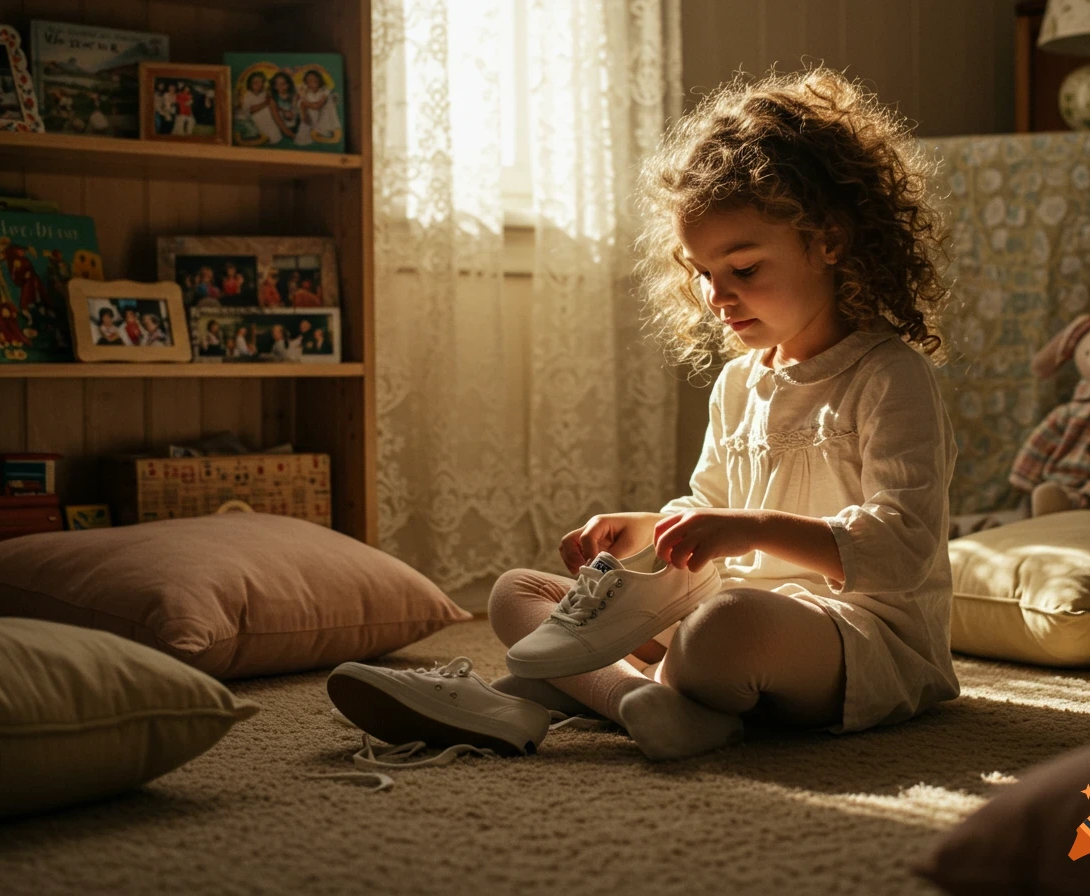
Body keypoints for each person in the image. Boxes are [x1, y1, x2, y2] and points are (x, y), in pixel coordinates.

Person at [326, 67, 960, 763]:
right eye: (702, 275)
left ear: (829, 242)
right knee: (519, 594)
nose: (718, 297)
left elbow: (901, 550)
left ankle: (559, 693)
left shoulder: (889, 375)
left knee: (719, 630)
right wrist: (647, 530)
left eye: (744, 269)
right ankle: (637, 700)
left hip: (858, 632)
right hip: (728, 608)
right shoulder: (740, 381)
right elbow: (711, 507)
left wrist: (742, 529)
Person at [295, 69, 340, 145]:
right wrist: (303, 97)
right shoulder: (306, 94)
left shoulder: (324, 91)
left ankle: (322, 131)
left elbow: (318, 105)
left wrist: (306, 103)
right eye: (309, 81)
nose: (312, 83)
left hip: (322, 118)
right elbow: (304, 116)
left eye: (315, 81)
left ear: (319, 81)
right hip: (310, 119)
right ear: (306, 82)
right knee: (302, 138)